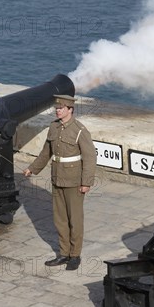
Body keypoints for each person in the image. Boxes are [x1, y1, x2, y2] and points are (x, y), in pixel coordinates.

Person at [23, 94, 96, 271]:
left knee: (75, 220)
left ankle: (75, 255)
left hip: (74, 182)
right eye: (56, 108)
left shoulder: (79, 130)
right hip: (57, 179)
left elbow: (90, 157)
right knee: (60, 219)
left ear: (70, 109)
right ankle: (63, 254)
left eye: (61, 108)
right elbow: (45, 153)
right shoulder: (53, 127)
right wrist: (32, 168)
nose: (58, 110)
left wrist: (86, 182)